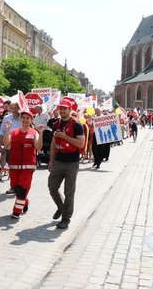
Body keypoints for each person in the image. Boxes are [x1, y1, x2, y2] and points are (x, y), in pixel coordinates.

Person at [48, 97, 85, 230]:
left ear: (70, 110)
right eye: (60, 108)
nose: (62, 110)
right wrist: (51, 161)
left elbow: (81, 143)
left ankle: (65, 218)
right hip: (58, 160)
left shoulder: (77, 125)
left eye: (65, 108)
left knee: (69, 192)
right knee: (52, 187)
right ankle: (61, 207)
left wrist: (65, 137)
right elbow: (53, 144)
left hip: (71, 162)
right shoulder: (55, 124)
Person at [5, 109, 41, 219]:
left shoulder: (34, 133)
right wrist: (7, 130)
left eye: (28, 118)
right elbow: (6, 144)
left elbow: (38, 147)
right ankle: (24, 202)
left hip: (28, 167)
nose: (25, 120)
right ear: (21, 119)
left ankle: (16, 212)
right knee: (16, 188)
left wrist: (41, 133)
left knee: (23, 188)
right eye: (24, 118)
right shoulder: (14, 132)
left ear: (31, 120)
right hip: (14, 167)